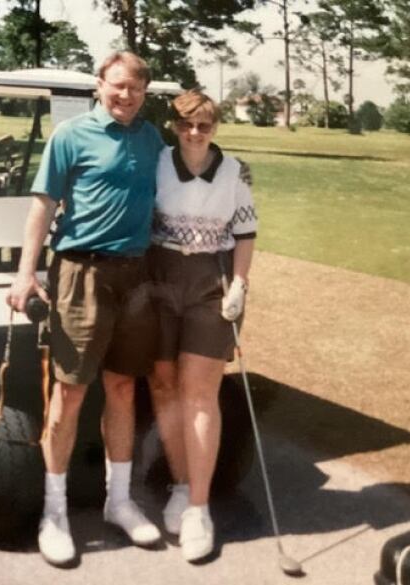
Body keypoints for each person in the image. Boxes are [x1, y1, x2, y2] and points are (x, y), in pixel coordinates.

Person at [6, 52, 166, 567]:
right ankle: (54, 514)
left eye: (135, 90)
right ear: (99, 85)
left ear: (145, 93)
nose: (126, 97)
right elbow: (42, 206)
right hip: (81, 273)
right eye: (117, 87)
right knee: (70, 392)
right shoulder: (71, 136)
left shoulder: (152, 138)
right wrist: (26, 273)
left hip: (135, 276)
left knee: (122, 388)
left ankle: (118, 501)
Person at [147, 90, 257, 562]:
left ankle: (198, 508)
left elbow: (247, 233)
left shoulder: (233, 171)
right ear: (174, 125)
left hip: (211, 281)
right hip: (159, 277)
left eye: (205, 126)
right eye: (187, 125)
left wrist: (241, 285)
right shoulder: (155, 162)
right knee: (164, 385)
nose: (195, 133)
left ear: (215, 127)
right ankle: (179, 482)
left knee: (199, 392)